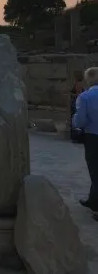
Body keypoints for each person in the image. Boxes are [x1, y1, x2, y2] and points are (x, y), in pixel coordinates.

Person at [72, 67, 98, 220]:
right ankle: (92, 199)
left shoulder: (85, 97)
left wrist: (75, 123)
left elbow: (80, 120)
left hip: (93, 137)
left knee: (95, 170)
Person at [70, 70, 86, 143]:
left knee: (76, 117)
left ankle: (77, 136)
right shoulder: (80, 84)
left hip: (77, 102)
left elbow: (78, 94)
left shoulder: (78, 84)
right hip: (76, 102)